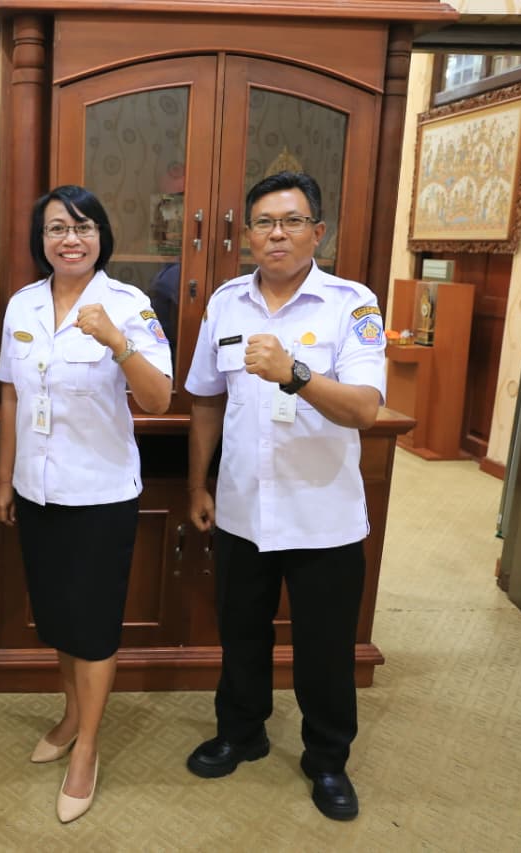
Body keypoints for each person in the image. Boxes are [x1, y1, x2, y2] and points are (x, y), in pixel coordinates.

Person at [182, 171, 385, 821]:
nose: (277, 233)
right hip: (243, 507)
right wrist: (198, 483)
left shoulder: (351, 304)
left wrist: (294, 373)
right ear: (246, 234)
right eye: (265, 222)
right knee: (240, 632)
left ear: (317, 232)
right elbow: (206, 399)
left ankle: (327, 759)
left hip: (322, 513)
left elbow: (365, 409)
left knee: (325, 648)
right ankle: (241, 731)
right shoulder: (226, 303)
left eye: (292, 221)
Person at [0, 185, 173, 823]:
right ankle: (71, 716)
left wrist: (118, 342)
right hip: (39, 490)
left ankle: (88, 747)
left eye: (83, 227)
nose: (70, 239)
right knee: (59, 619)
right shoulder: (22, 303)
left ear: (101, 237)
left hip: (99, 493)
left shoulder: (129, 304)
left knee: (93, 628)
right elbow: (11, 394)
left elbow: (158, 399)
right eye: (56, 229)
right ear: (40, 240)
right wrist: (5, 479)